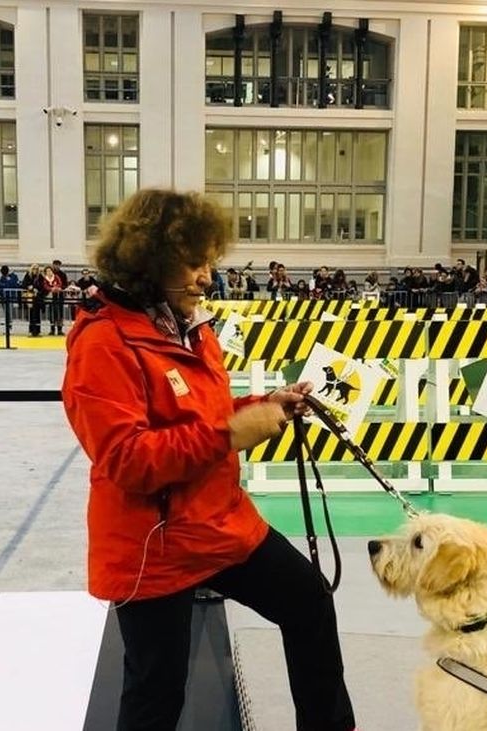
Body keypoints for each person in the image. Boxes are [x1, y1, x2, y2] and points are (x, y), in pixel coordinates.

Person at [61, 189, 356, 731]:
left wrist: (264, 406)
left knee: (309, 602)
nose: (206, 277)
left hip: (220, 524)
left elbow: (206, 413)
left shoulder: (190, 327)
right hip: (152, 548)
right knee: (157, 690)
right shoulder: (102, 345)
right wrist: (230, 434)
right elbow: (127, 461)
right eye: (195, 263)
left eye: (209, 263)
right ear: (152, 262)